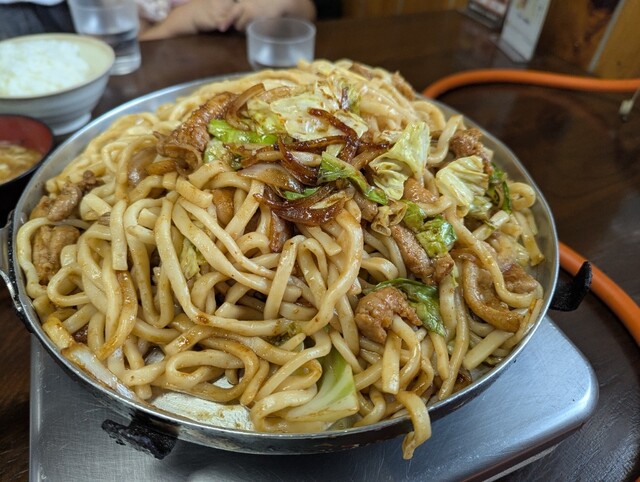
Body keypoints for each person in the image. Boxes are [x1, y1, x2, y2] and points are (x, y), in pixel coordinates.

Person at [139, 0, 337, 41]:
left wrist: (285, 4)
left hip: (263, 62)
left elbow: (312, 11)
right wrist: (180, 21)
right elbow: (133, 45)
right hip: (176, 73)